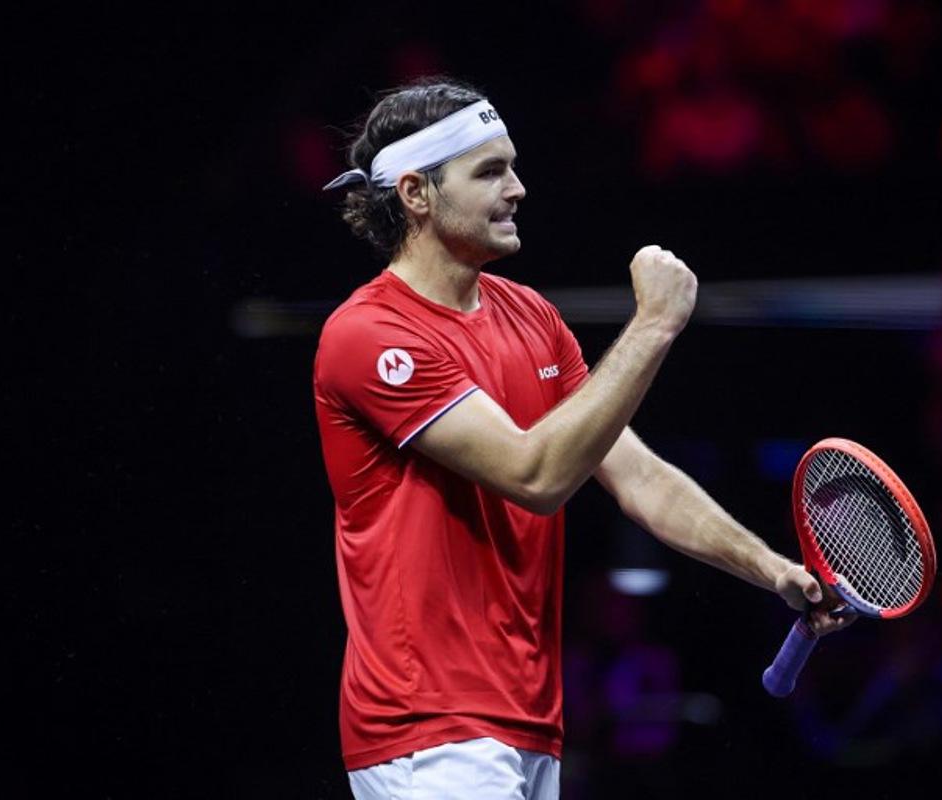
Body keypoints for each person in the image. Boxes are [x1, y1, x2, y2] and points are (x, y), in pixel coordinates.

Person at [314, 77, 854, 800]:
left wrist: (771, 570)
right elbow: (534, 476)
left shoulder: (531, 317)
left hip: (529, 723)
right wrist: (655, 324)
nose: (518, 189)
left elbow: (641, 478)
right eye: (490, 172)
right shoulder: (368, 335)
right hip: (428, 727)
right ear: (416, 194)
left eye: (512, 165)